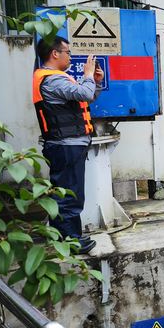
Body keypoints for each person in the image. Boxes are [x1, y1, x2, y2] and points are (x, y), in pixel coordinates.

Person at [32, 37, 103, 254]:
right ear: (55, 53)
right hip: (65, 145)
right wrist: (88, 76)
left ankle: (71, 238)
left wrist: (96, 82)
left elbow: (86, 97)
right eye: (68, 52)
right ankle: (69, 242)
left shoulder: (56, 78)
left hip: (69, 144)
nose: (70, 57)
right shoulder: (51, 80)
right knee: (67, 194)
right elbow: (83, 92)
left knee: (71, 193)